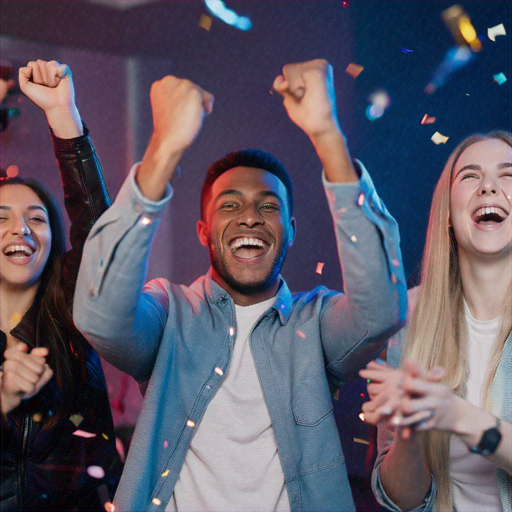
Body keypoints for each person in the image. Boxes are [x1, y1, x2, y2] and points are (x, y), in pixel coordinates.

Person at [73, 58, 407, 512]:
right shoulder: (169, 312)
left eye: (267, 207)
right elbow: (100, 317)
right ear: (203, 231)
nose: (250, 216)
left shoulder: (318, 324)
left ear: (290, 230)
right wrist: (163, 149)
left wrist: (328, 136)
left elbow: (382, 311)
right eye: (229, 206)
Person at [360, 131, 512, 511]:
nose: (489, 187)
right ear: (447, 213)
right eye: (470, 176)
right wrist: (409, 435)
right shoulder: (410, 319)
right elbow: (403, 500)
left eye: (507, 175)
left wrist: (459, 416)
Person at [0, 60, 121, 510]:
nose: (22, 231)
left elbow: (96, 227)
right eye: (2, 219)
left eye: (36, 219)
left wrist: (62, 114)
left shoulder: (72, 311)